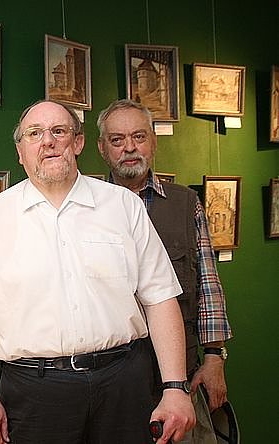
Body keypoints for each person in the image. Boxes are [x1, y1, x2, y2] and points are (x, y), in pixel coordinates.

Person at [0, 100, 196, 444]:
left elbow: (160, 299)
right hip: (34, 392)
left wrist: (175, 387)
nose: (48, 141)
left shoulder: (123, 206)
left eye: (59, 131)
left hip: (124, 384)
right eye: (35, 134)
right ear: (20, 151)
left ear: (78, 142)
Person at [97, 99, 233, 443]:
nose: (130, 147)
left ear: (153, 142)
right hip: (112, 378)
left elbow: (208, 285)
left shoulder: (186, 203)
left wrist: (215, 357)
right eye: (117, 140)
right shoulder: (85, 207)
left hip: (179, 373)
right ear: (101, 148)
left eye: (139, 137)